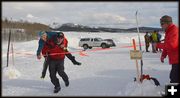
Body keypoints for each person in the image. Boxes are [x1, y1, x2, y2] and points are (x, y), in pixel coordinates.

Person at [156, 15, 179, 83]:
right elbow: (167, 44)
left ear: (167, 23)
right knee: (173, 77)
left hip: (177, 59)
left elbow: (171, 45)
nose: (161, 26)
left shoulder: (174, 30)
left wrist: (158, 45)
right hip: (175, 59)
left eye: (162, 24)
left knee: (174, 79)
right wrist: (163, 55)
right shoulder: (169, 31)